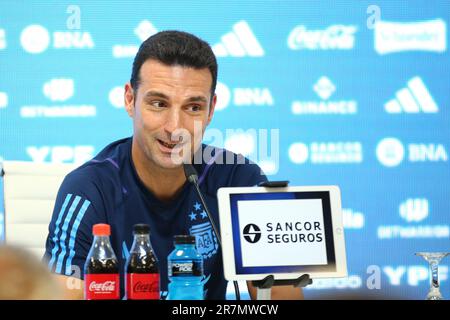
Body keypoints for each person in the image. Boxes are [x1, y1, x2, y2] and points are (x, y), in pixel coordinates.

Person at [43, 30, 303, 300]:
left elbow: (280, 298)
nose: (175, 128)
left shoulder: (240, 179)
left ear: (211, 110)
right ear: (130, 100)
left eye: (192, 108)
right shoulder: (88, 189)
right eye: (159, 104)